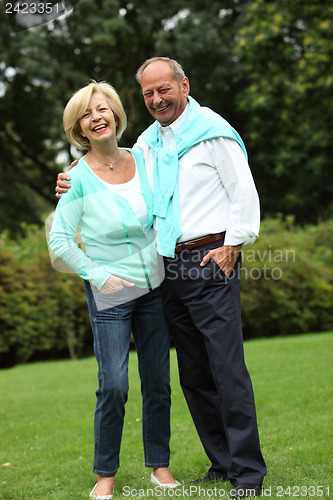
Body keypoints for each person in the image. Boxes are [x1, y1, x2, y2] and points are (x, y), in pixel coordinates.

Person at [56, 58, 267, 498]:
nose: (157, 100)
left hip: (211, 259)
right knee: (193, 372)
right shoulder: (149, 143)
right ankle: (222, 463)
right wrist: (70, 176)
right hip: (167, 267)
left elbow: (243, 191)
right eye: (149, 94)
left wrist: (234, 244)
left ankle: (248, 472)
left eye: (164, 90)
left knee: (227, 370)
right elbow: (112, 170)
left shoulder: (212, 131)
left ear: (184, 85)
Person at [48, 81, 179, 499]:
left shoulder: (144, 159)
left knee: (157, 379)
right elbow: (60, 241)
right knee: (115, 384)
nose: (97, 117)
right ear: (80, 128)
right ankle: (105, 475)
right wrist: (99, 275)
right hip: (109, 293)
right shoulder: (75, 178)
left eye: (102, 109)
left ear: (117, 115)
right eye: (87, 114)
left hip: (154, 286)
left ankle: (160, 467)